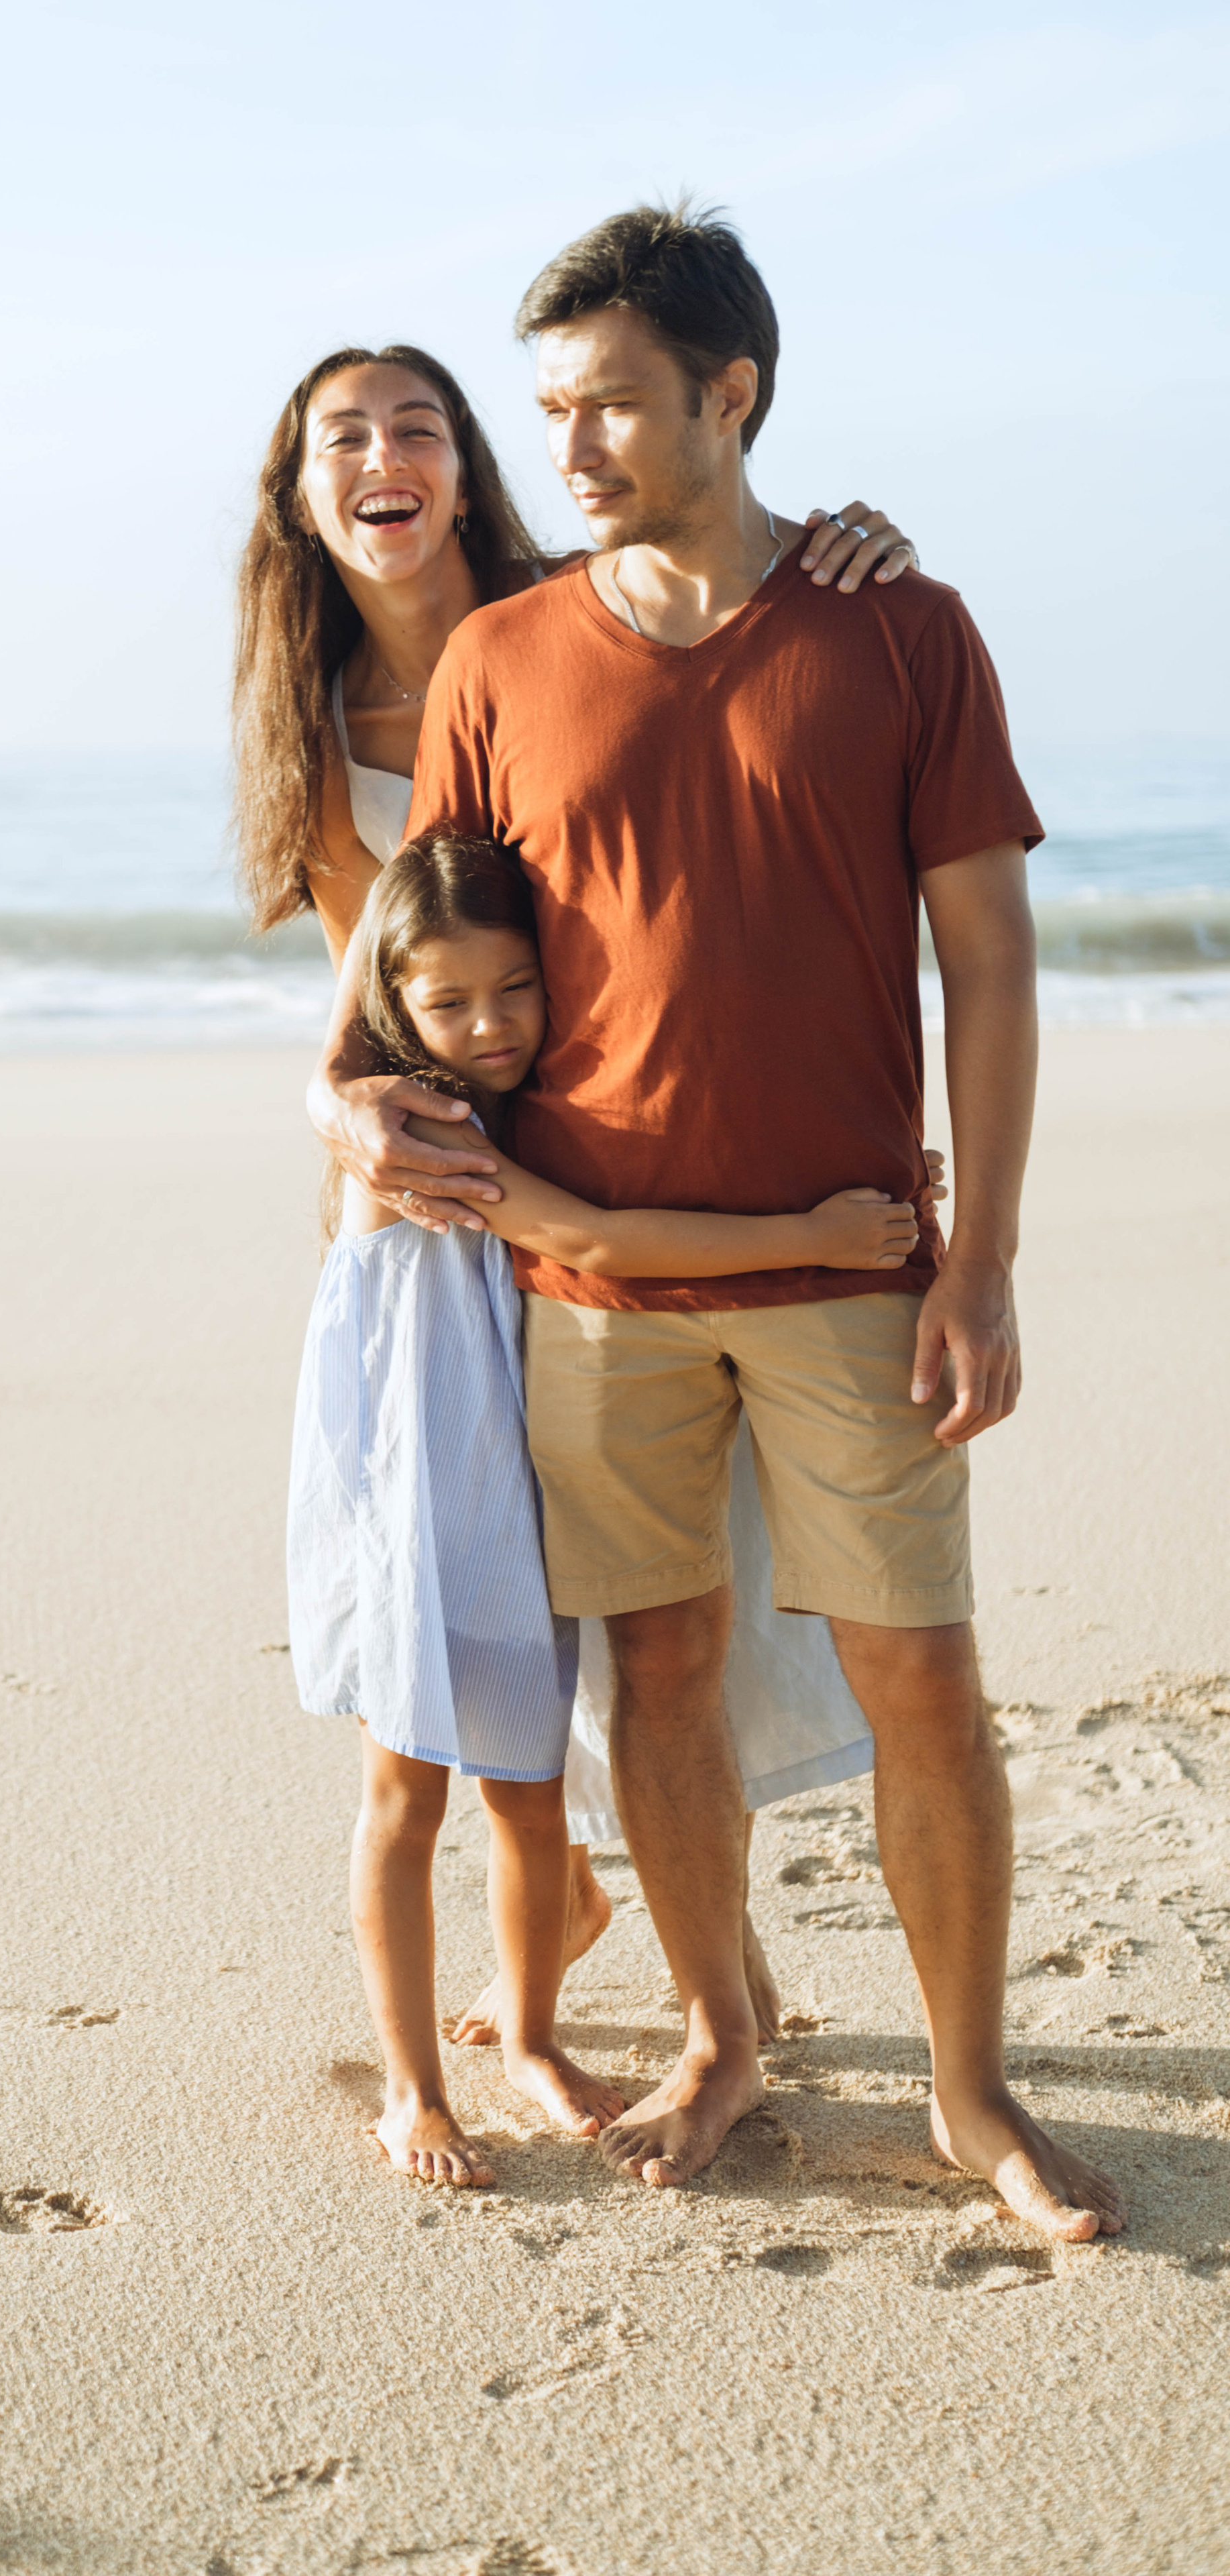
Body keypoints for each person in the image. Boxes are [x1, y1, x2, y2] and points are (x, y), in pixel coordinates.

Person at [315, 201, 1126, 2243]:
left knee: (923, 1681)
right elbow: (420, 960)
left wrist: (988, 1254)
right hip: (585, 1284)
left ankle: (965, 2091)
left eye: (608, 405)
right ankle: (724, 2033)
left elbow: (993, 967)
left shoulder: (901, 630)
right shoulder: (502, 661)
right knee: (654, 1682)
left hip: (856, 1269)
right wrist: (349, 1107)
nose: (567, 447)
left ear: (730, 396)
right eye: (551, 408)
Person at [235, 339, 922, 2031]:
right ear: (301, 497)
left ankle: (717, 1963)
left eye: (417, 429)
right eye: (344, 440)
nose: (384, 461)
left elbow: (730, 645)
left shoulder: (582, 618)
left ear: (468, 467)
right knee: (481, 1585)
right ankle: (587, 1917)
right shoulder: (307, 725)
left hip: (613, 1178)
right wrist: (345, 1134)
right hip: (430, 1202)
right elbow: (349, 1011)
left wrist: (856, 548)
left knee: (658, 1604)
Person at [292, 830, 929, 2186]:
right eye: (445, 1001)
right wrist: (807, 1237)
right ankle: (413, 2090)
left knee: (529, 1802)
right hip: (412, 1510)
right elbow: (592, 1241)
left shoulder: (522, 1109)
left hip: (512, 1501)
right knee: (402, 1797)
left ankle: (524, 2034)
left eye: (514, 989)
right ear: (388, 1002)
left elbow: (636, 1190)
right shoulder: (414, 1131)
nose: (487, 1026)